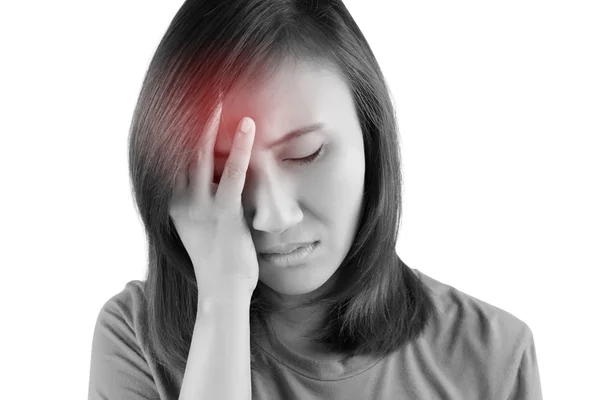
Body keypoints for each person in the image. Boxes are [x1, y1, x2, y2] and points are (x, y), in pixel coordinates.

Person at [88, 0, 543, 399]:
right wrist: (221, 301)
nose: (273, 215)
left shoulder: (494, 356)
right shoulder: (134, 339)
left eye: (306, 154)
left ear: (369, 133)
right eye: (225, 174)